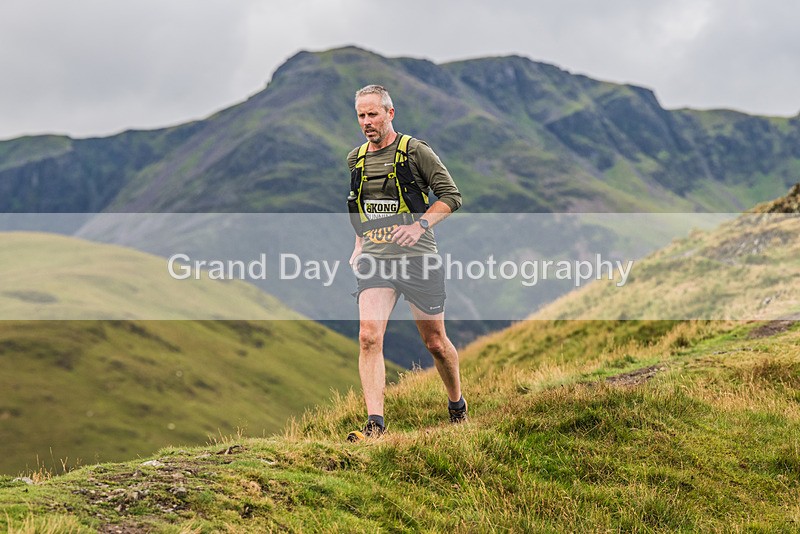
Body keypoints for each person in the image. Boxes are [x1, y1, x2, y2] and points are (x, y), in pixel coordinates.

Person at [345, 84, 467, 442]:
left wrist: (420, 226)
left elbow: (451, 196)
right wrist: (357, 244)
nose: (367, 122)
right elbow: (359, 207)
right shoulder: (356, 159)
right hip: (376, 259)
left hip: (418, 258)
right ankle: (375, 425)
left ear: (390, 113)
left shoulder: (416, 151)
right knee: (369, 337)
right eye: (361, 116)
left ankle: (457, 404)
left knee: (435, 342)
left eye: (373, 114)